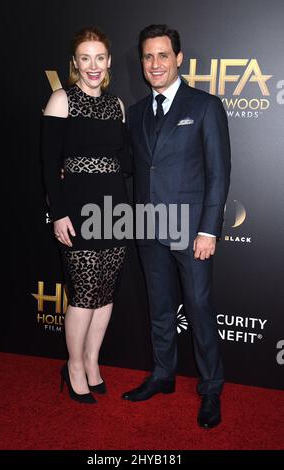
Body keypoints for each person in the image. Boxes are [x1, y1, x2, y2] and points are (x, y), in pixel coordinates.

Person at [122, 24, 231, 428]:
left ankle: (211, 388)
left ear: (179, 59)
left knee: (200, 309)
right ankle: (163, 375)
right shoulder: (135, 113)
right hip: (148, 229)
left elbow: (219, 174)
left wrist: (209, 230)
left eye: (163, 55)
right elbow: (132, 167)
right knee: (160, 309)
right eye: (148, 56)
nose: (155, 63)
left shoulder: (205, 106)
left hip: (192, 232)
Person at [42, 27, 129, 404]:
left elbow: (124, 161)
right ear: (75, 63)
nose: (92, 66)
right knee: (82, 293)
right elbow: (47, 165)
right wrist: (58, 214)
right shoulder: (62, 100)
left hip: (115, 207)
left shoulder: (118, 106)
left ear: (108, 61)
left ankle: (93, 362)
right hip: (76, 208)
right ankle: (73, 365)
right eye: (84, 58)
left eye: (99, 58)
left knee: (105, 292)